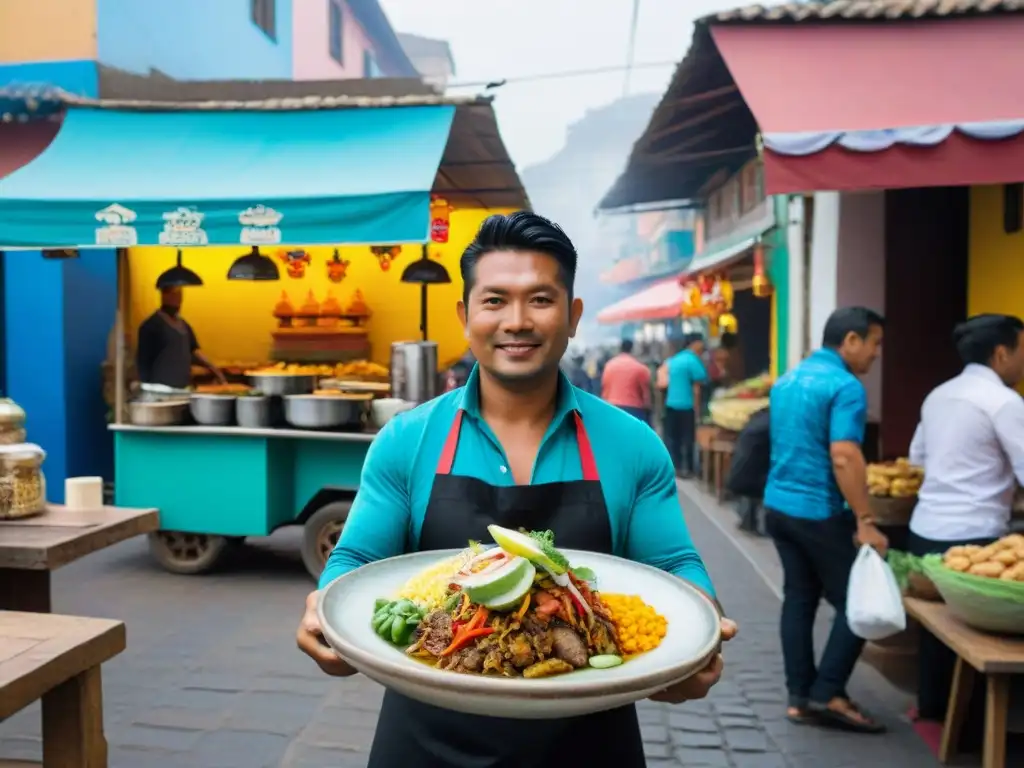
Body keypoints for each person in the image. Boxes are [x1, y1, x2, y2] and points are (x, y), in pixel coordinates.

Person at [296, 211, 736, 768]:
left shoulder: (632, 444)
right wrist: (324, 605)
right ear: (466, 315)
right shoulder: (406, 440)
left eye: (541, 300)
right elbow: (358, 557)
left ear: (573, 316)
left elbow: (673, 561)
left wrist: (700, 627)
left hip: (588, 744)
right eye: (495, 300)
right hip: (425, 740)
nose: (517, 321)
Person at [763, 306, 888, 733]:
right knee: (855, 600)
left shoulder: (788, 380)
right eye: (874, 343)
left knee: (798, 599)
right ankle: (829, 691)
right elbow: (844, 454)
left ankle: (800, 697)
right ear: (850, 340)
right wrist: (866, 520)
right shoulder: (845, 386)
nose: (875, 354)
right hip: (818, 512)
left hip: (779, 507)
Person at [906, 314, 1024, 724]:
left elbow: (917, 459)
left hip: (925, 529)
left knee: (936, 632)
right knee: (980, 636)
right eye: (1022, 350)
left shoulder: (938, 394)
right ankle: (974, 725)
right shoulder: (1006, 402)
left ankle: (933, 708)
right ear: (1001, 353)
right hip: (977, 537)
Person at [136, 286, 225, 389]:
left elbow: (195, 351)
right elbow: (143, 362)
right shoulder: (151, 326)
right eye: (174, 295)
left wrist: (216, 371)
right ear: (164, 295)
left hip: (183, 388)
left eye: (180, 295)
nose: (178, 300)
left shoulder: (183, 325)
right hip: (161, 390)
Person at [658, 333, 708, 477]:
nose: (703, 346)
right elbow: (697, 387)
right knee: (688, 438)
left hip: (671, 404)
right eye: (701, 343)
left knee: (674, 438)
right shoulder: (692, 360)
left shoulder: (674, 360)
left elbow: (663, 383)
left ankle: (677, 467)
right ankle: (690, 468)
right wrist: (697, 409)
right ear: (694, 344)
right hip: (687, 406)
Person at [601, 339, 653, 423]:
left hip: (612, 407)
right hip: (633, 410)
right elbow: (646, 395)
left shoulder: (609, 366)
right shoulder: (640, 368)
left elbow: (605, 389)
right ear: (632, 349)